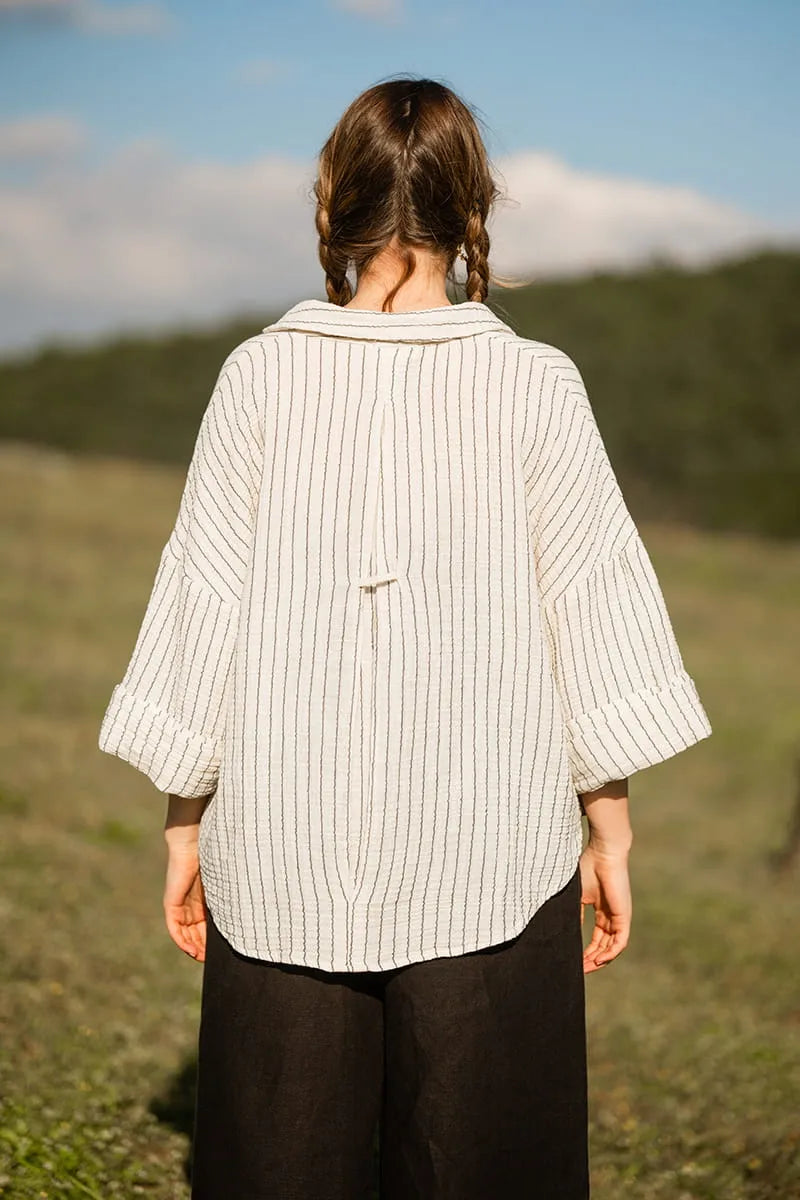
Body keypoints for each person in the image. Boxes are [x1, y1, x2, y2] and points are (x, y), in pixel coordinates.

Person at [97, 76, 713, 1199]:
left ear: (331, 203)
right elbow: (590, 607)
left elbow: (203, 604)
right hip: (494, 857)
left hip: (280, 849)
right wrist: (610, 830)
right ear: (472, 207)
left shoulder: (258, 378)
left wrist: (186, 822)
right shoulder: (535, 384)